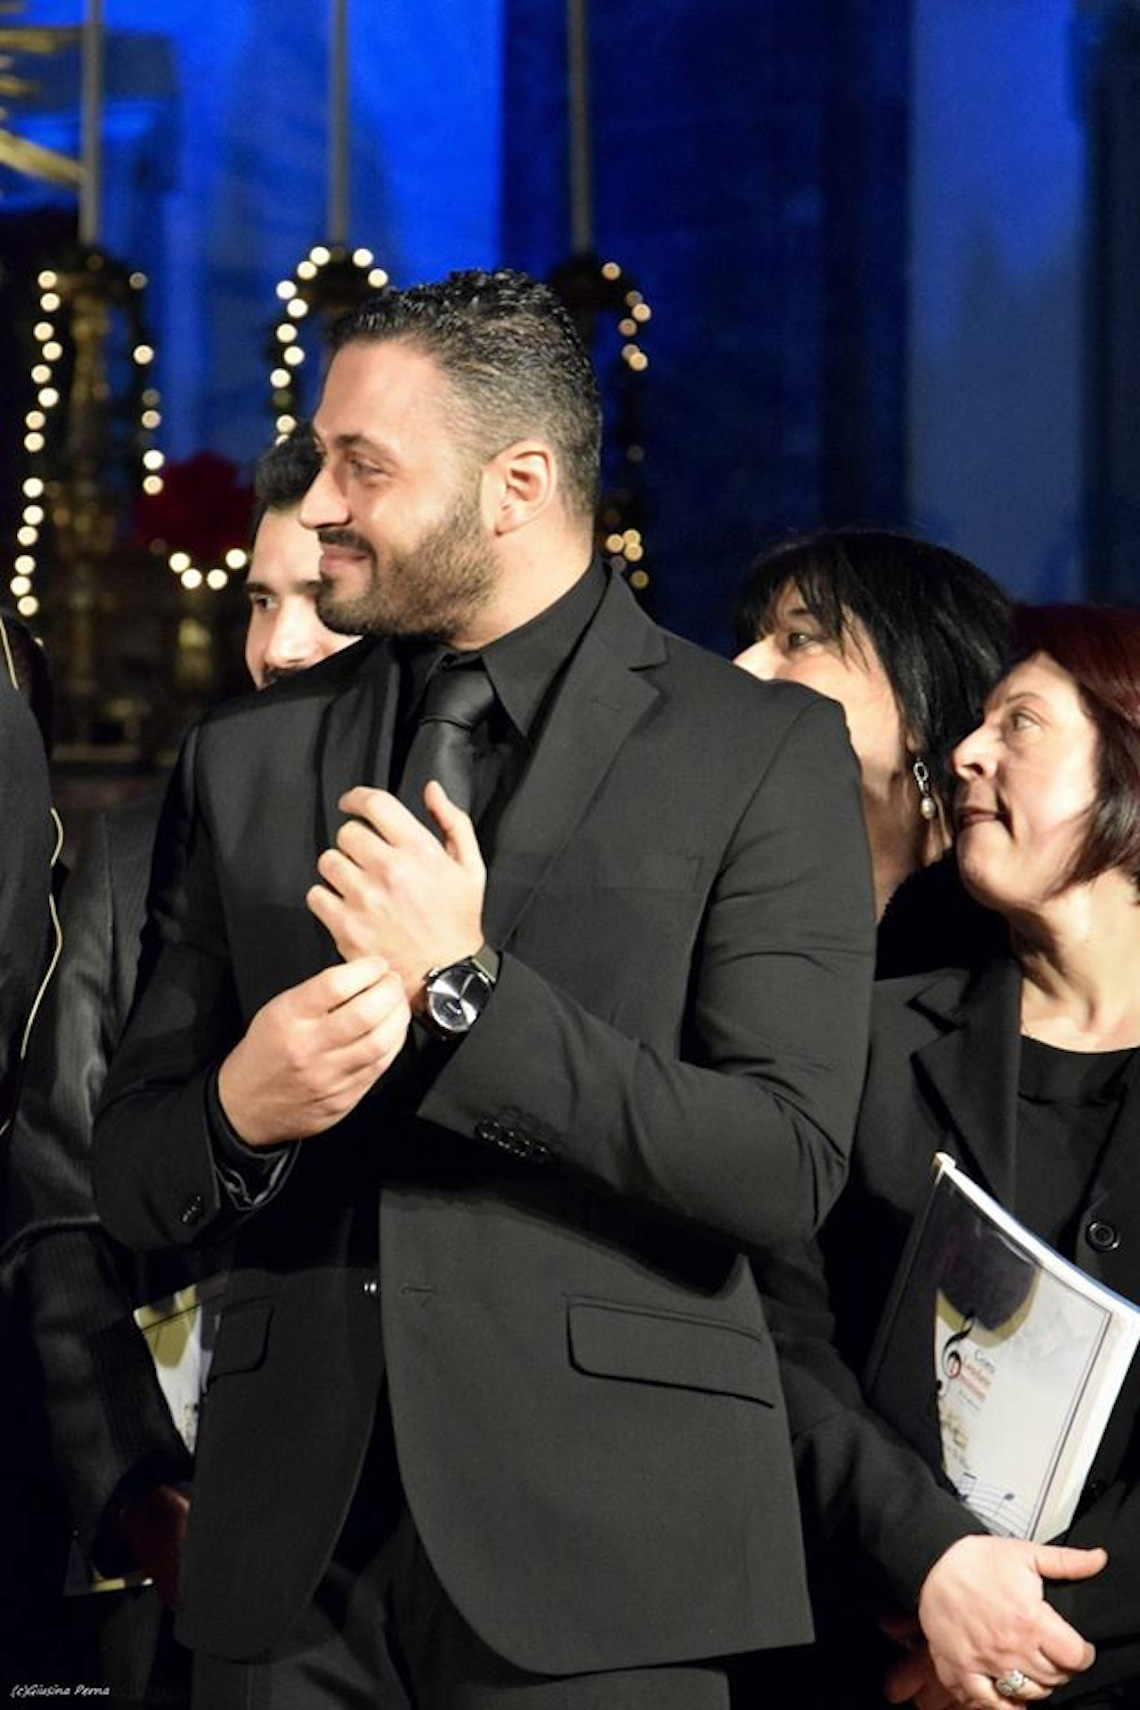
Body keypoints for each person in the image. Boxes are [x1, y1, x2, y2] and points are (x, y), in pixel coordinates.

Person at [92, 267, 876, 1708]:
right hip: (288, 1567)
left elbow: (782, 1166)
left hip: (606, 1558)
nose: (319, 503)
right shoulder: (249, 756)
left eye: (364, 466)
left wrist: (470, 994)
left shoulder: (752, 750)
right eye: (319, 457)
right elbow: (132, 1171)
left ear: (518, 486)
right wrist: (237, 1111)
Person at [0, 422, 358, 1706]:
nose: (282, 645)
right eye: (260, 601)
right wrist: (137, 1488)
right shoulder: (132, 860)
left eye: (321, 601)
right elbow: (56, 1208)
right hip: (184, 1511)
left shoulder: (473, 865)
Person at [760, 604, 1140, 1708]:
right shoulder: (866, 1040)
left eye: (1020, 724)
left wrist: (1021, 1638)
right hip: (866, 1651)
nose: (968, 752)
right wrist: (933, 1562)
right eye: (977, 723)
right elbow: (777, 1332)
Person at [732, 527, 1012, 972]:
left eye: (799, 639)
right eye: (750, 641)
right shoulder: (733, 904)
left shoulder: (1006, 944)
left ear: (919, 688)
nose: (742, 667)